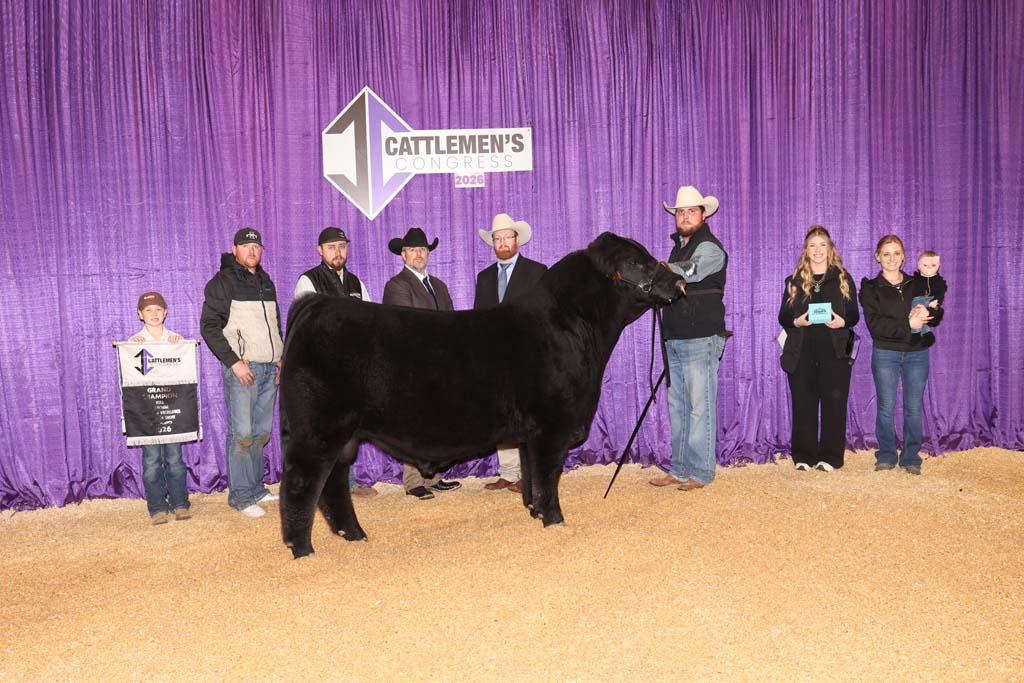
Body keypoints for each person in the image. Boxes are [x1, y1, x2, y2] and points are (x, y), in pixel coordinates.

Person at [200, 228, 285, 517]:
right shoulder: (222, 282)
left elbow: (275, 324)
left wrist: (280, 356)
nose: (253, 251)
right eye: (246, 246)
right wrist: (234, 362)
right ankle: (240, 496)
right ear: (234, 249)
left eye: (257, 246)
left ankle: (256, 488)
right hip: (244, 369)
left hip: (269, 369)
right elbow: (209, 326)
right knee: (243, 434)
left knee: (261, 433)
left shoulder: (265, 281)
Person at [650, 185, 728, 492]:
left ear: (703, 214)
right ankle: (680, 468)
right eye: (680, 212)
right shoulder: (678, 247)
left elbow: (689, 271)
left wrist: (660, 270)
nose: (684, 216)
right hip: (676, 337)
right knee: (679, 406)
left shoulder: (710, 248)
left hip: (701, 337)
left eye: (690, 211)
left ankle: (701, 471)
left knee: (699, 406)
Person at [293, 226, 377, 498]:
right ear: (320, 250)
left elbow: (371, 323)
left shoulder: (356, 283)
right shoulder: (309, 281)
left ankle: (347, 483)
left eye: (342, 246)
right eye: (331, 247)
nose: (338, 251)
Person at [382, 227, 462, 500]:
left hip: (441, 366)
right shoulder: (397, 285)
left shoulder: (439, 285)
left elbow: (452, 323)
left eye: (423, 249)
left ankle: (435, 476)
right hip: (413, 365)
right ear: (403, 255)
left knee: (438, 423)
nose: (419, 254)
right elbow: (406, 326)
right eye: (413, 250)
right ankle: (414, 480)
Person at [474, 213, 548, 494]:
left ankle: (529, 475)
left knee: (529, 415)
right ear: (492, 243)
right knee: (501, 413)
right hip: (495, 357)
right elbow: (478, 319)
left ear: (517, 239)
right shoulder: (484, 278)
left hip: (529, 355)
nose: (503, 242)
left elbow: (546, 313)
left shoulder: (537, 271)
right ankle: (508, 472)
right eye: (498, 238)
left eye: (507, 237)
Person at [777, 226, 860, 472]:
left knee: (835, 404)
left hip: (835, 351)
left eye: (822, 244)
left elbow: (854, 314)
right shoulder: (794, 281)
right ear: (806, 250)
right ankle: (804, 455)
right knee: (804, 402)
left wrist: (841, 322)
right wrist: (796, 321)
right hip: (801, 351)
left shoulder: (843, 278)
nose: (818, 250)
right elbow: (782, 316)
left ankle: (831, 457)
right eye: (812, 245)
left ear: (830, 248)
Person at [859, 235, 942, 475]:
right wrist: (910, 324)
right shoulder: (870, 288)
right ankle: (886, 455)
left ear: (904, 256)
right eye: (886, 253)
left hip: (917, 353)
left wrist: (930, 312)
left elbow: (936, 310)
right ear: (877, 257)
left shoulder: (918, 283)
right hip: (885, 352)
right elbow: (875, 325)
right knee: (886, 406)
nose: (892, 258)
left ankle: (911, 458)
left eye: (896, 253)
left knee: (913, 407)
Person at [129, 291, 192, 524]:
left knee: (175, 459)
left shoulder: (175, 340)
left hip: (172, 409)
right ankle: (156, 507)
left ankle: (180, 504)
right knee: (151, 461)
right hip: (147, 412)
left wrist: (182, 345)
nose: (153, 314)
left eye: (158, 309)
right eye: (148, 310)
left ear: (165, 312)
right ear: (140, 314)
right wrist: (129, 347)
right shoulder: (134, 343)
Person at [909, 250, 946, 339]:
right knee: (916, 314)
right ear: (919, 265)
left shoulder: (939, 281)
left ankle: (919, 335)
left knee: (922, 315)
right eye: (925, 265)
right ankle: (924, 333)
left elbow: (941, 293)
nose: (929, 268)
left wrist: (936, 302)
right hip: (916, 303)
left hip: (930, 303)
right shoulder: (913, 280)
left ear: (938, 266)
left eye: (933, 265)